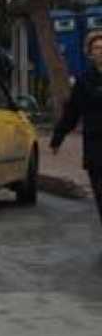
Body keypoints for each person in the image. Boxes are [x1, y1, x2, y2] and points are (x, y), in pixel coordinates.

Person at [51, 30, 102, 226]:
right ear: (90, 53)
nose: (100, 52)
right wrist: (58, 137)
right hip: (95, 142)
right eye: (96, 48)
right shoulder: (84, 81)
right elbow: (72, 111)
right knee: (99, 189)